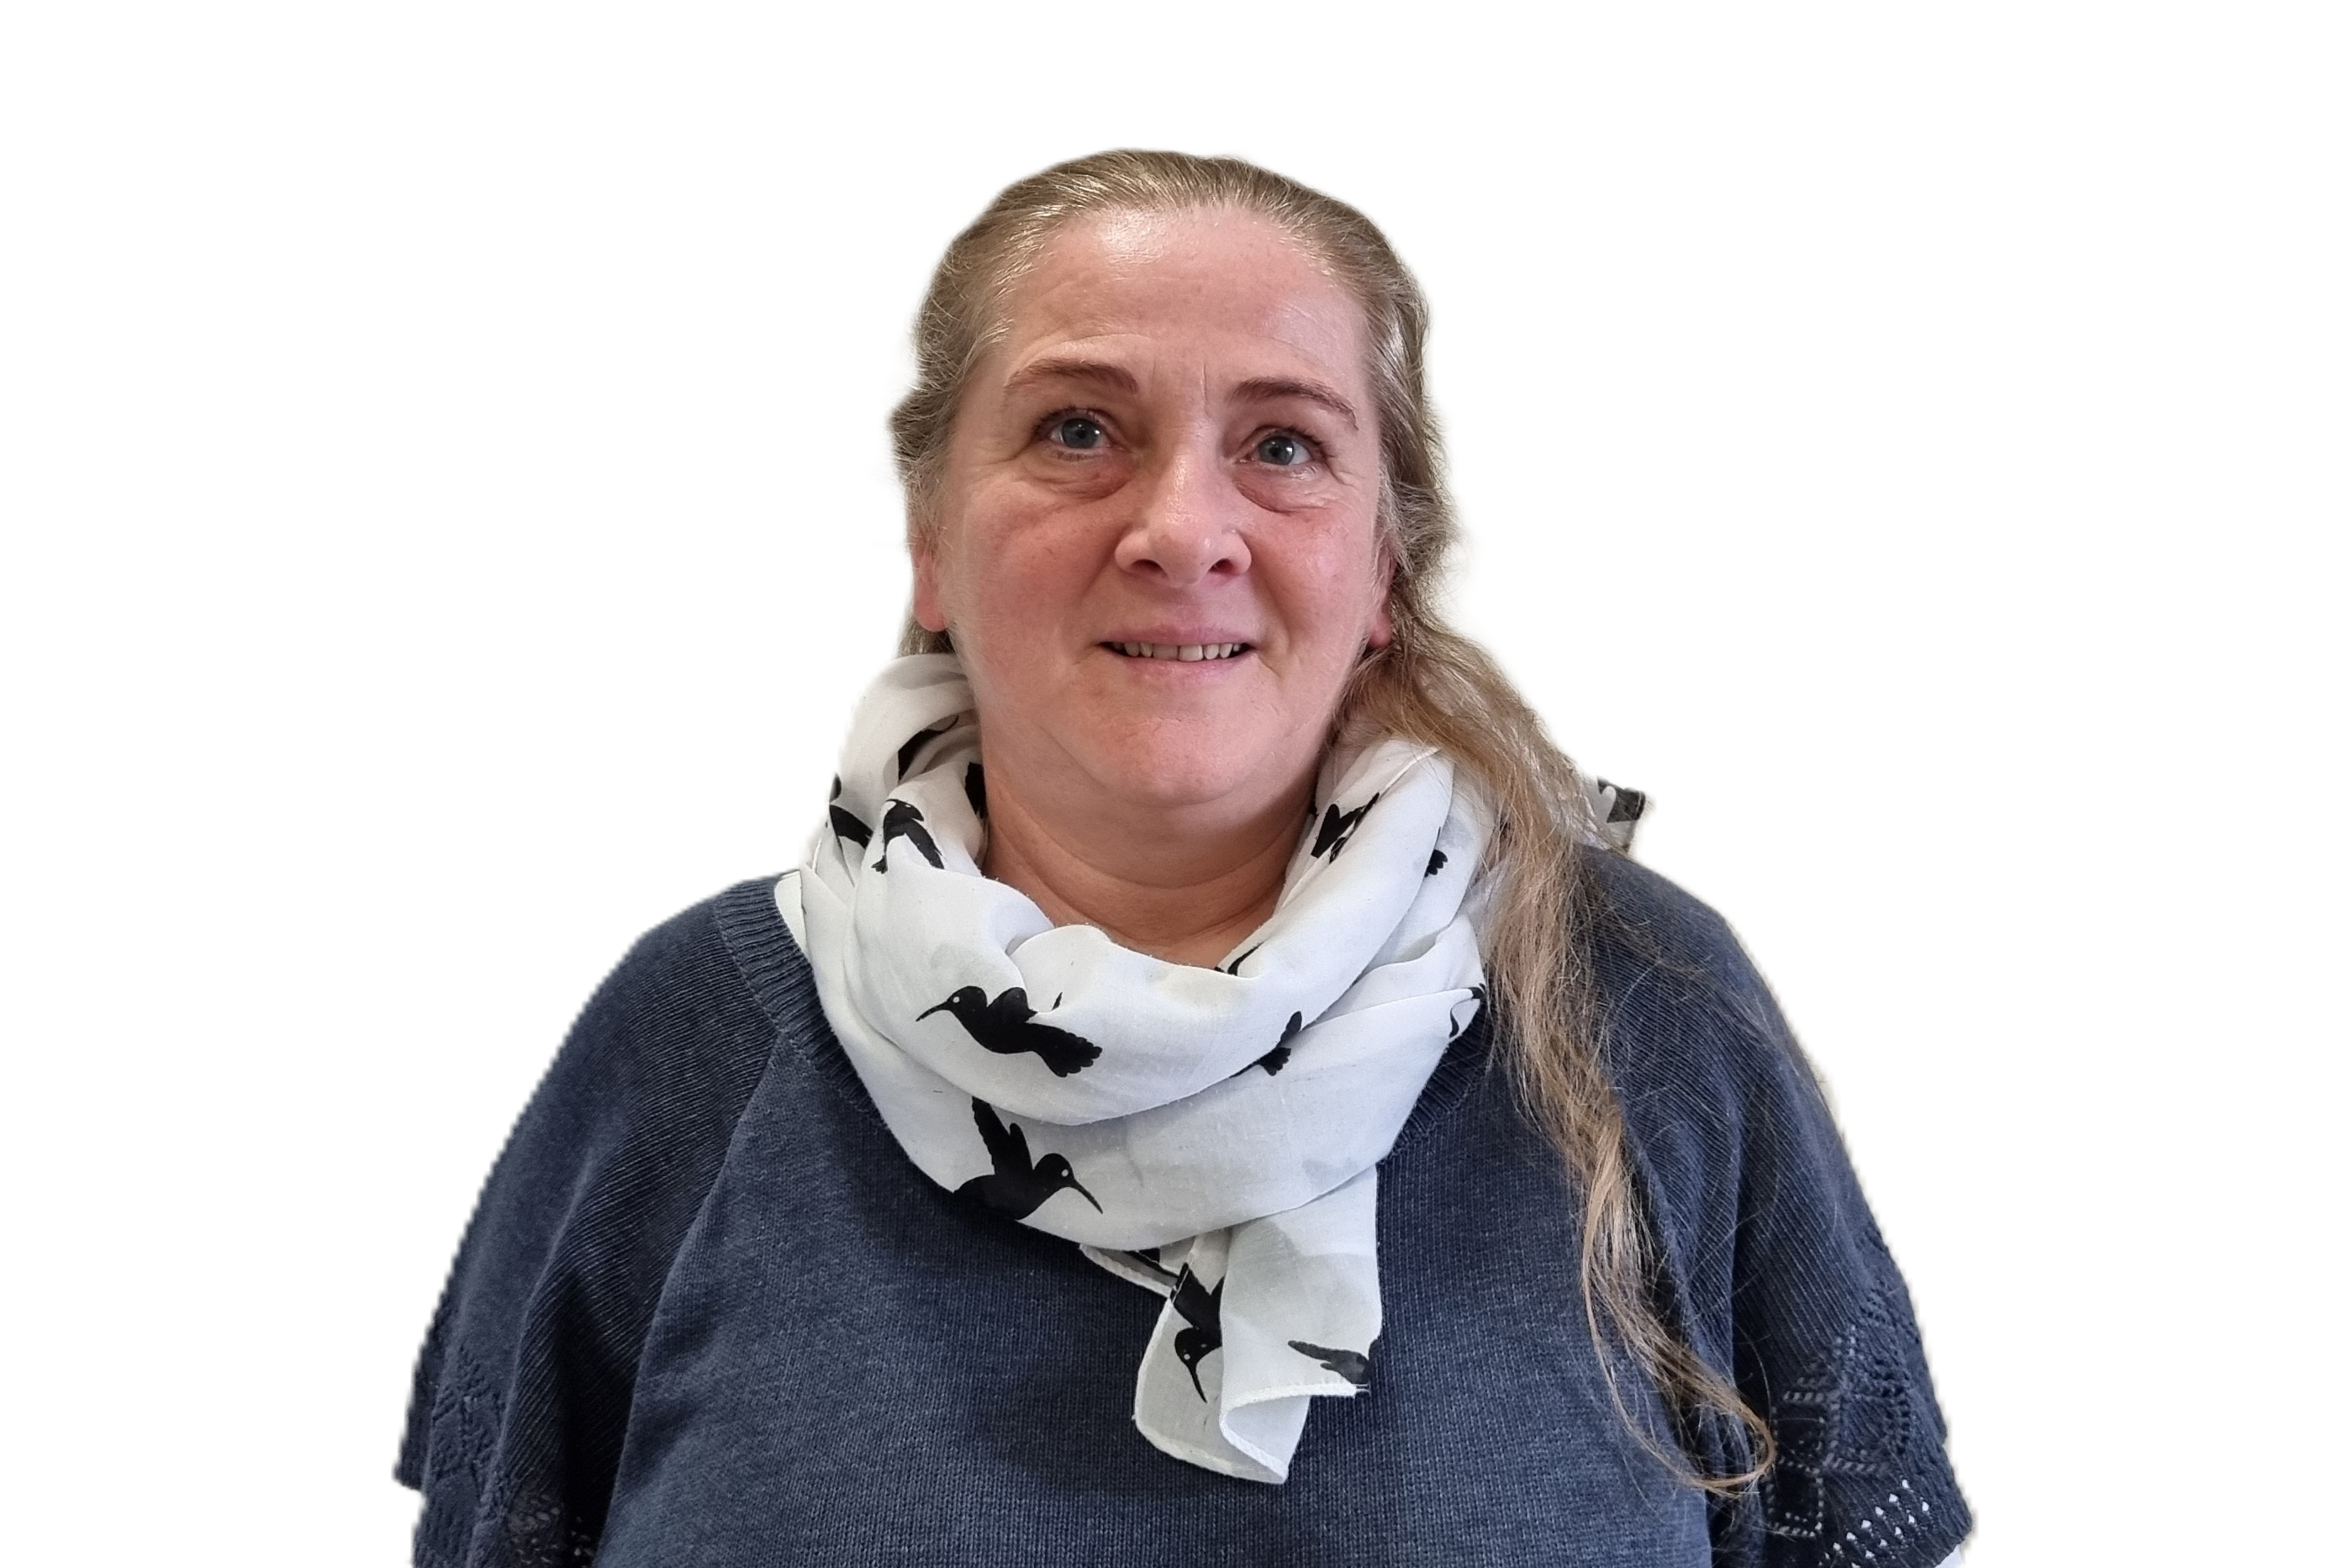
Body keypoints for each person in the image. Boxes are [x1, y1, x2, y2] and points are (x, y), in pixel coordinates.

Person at [396, 150, 1971, 1567]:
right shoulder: (695, 1042)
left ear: (1383, 570)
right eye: (1078, 430)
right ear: (932, 540)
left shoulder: (1641, 1011)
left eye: (1282, 445)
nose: (1181, 528)